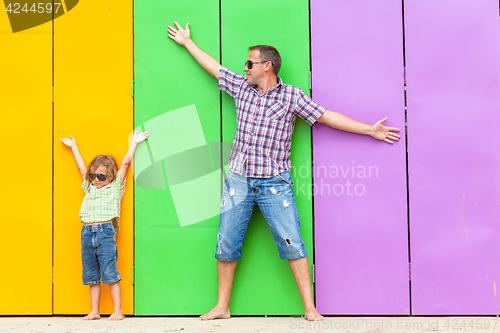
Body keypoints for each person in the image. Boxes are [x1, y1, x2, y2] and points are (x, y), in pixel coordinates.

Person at [167, 21, 400, 322]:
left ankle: (310, 308)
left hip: (274, 183)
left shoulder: (292, 97)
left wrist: (370, 130)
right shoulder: (241, 87)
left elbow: (327, 117)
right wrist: (188, 43)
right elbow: (214, 68)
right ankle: (222, 307)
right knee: (226, 242)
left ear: (266, 66)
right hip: (238, 180)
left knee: (292, 241)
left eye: (249, 63)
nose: (244, 67)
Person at [61, 131, 149, 321]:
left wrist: (134, 143)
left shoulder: (116, 187)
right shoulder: (90, 186)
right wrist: (74, 147)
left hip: (105, 232)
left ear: (111, 175)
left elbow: (125, 163)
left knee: (109, 270)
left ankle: (117, 310)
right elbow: (81, 168)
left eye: (101, 176)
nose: (96, 179)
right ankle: (94, 311)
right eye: (93, 175)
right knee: (91, 272)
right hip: (86, 232)